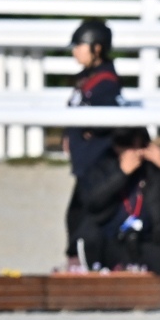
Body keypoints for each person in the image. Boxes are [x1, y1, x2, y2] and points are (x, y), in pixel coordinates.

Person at [72, 128, 160, 281]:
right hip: (106, 240)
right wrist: (122, 173)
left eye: (141, 145)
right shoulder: (100, 165)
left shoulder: (151, 171)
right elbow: (92, 203)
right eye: (128, 144)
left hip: (143, 241)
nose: (135, 151)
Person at [63, 18, 124, 266]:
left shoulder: (105, 82)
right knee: (75, 216)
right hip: (84, 164)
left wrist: (89, 127)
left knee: (84, 218)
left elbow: (106, 121)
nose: (75, 51)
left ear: (96, 48)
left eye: (80, 45)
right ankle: (77, 262)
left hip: (97, 164)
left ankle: (83, 264)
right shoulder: (86, 79)